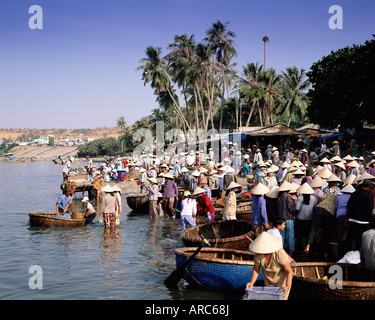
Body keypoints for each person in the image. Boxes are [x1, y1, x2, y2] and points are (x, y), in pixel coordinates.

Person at [246, 232, 294, 300]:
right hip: (268, 284)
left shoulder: (279, 253)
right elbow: (256, 269)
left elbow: (289, 272)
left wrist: (287, 286)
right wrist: (252, 282)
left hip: (282, 284)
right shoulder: (258, 255)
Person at [344, 179, 375, 252]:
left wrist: (347, 218)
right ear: (367, 187)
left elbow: (348, 207)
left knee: (349, 240)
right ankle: (357, 259)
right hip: (362, 223)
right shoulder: (367, 196)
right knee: (359, 243)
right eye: (370, 188)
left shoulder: (354, 193)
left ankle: (345, 256)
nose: (370, 190)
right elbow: (368, 210)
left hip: (352, 220)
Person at [295, 183, 317, 256]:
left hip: (300, 219)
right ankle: (308, 250)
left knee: (300, 236)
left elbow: (297, 208)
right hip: (309, 219)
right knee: (308, 236)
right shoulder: (313, 198)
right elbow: (315, 208)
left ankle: (300, 251)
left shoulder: (300, 198)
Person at [276, 181, 297, 256]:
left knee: (281, 236)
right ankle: (291, 251)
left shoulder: (279, 197)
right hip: (289, 219)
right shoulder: (288, 197)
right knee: (290, 235)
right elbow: (291, 208)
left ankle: (281, 251)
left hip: (281, 219)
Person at [335, 184, 355, 257]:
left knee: (340, 236)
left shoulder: (339, 197)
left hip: (340, 216)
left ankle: (340, 254)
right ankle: (348, 253)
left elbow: (336, 207)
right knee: (349, 236)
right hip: (349, 217)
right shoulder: (353, 197)